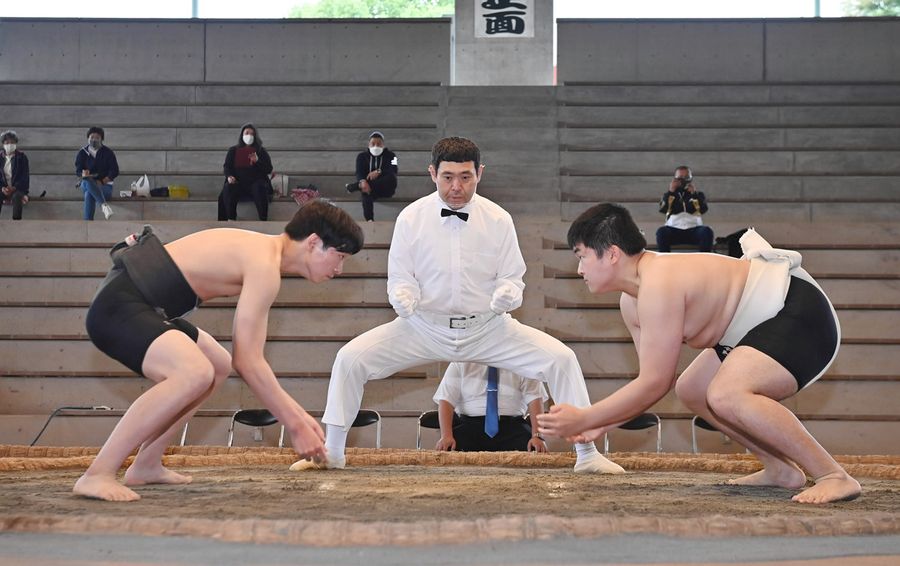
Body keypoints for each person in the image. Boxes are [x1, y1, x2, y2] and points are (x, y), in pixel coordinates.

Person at [292, 136, 623, 474]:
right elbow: (401, 276)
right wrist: (402, 296)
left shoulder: (498, 219)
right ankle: (332, 452)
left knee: (562, 359)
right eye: (448, 177)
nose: (456, 187)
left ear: (480, 173)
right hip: (422, 326)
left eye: (466, 177)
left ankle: (588, 454)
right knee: (349, 359)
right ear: (432, 172)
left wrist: (509, 293)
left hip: (488, 327)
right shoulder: (410, 218)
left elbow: (513, 277)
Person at [537, 203, 861, 505]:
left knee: (725, 393)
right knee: (693, 389)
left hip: (797, 311)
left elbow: (654, 382)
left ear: (611, 254)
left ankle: (834, 475)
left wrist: (588, 417)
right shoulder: (632, 301)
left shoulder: (659, 283)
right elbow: (652, 383)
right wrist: (602, 423)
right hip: (749, 327)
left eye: (581, 256)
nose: (579, 269)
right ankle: (780, 468)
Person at [73, 199, 364, 502]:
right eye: (339, 256)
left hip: (145, 306)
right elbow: (249, 361)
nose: (340, 269)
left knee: (217, 363)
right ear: (314, 242)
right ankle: (97, 474)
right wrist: (295, 423)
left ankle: (146, 463)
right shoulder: (263, 264)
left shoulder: (264, 255)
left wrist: (299, 418)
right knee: (193, 373)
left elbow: (240, 360)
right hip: (118, 307)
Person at [434, 362, 548, 452]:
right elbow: (446, 401)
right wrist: (446, 435)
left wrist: (537, 436)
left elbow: (535, 400)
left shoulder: (523, 364)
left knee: (533, 448)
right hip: (469, 426)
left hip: (513, 427)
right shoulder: (460, 363)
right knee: (450, 447)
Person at [218, 123, 274, 221]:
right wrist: (229, 176)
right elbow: (227, 166)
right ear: (242, 135)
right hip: (238, 183)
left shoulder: (261, 151)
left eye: (252, 134)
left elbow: (268, 169)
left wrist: (257, 161)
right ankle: (231, 219)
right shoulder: (233, 150)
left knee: (260, 187)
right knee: (228, 188)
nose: (249, 136)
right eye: (247, 133)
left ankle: (263, 219)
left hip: (255, 183)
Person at [656, 165, 713, 252]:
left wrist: (694, 194)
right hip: (674, 229)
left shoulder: (698, 195)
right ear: (675, 178)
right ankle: (666, 262)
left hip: (694, 229)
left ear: (691, 178)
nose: (683, 180)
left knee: (707, 231)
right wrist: (671, 192)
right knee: (661, 232)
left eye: (686, 177)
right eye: (680, 177)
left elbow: (703, 209)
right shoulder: (669, 195)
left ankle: (704, 262)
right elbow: (663, 209)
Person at [345, 131, 397, 222]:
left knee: (391, 178)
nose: (375, 146)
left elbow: (394, 170)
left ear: (383, 145)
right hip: (369, 189)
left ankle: (356, 186)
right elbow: (359, 172)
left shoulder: (392, 156)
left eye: (378, 144)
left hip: (386, 188)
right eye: (373, 144)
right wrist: (362, 181)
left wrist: (378, 171)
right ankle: (369, 220)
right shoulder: (361, 156)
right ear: (368, 144)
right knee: (365, 192)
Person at [75, 126, 119, 221]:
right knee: (87, 182)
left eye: (97, 138)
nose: (94, 140)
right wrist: (83, 174)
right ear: (88, 138)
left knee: (88, 194)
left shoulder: (108, 153)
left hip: (105, 186)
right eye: (92, 137)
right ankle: (104, 206)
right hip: (86, 182)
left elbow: (114, 171)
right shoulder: (82, 153)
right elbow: (78, 171)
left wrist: (102, 181)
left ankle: (87, 222)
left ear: (102, 139)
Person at [0, 130, 29, 221]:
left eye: (12, 142)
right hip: (3, 188)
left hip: (18, 188)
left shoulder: (22, 157)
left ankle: (16, 223)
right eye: (7, 142)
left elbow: (24, 177)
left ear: (16, 143)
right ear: (3, 144)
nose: (9, 145)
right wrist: (2, 188)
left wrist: (14, 187)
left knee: (17, 197)